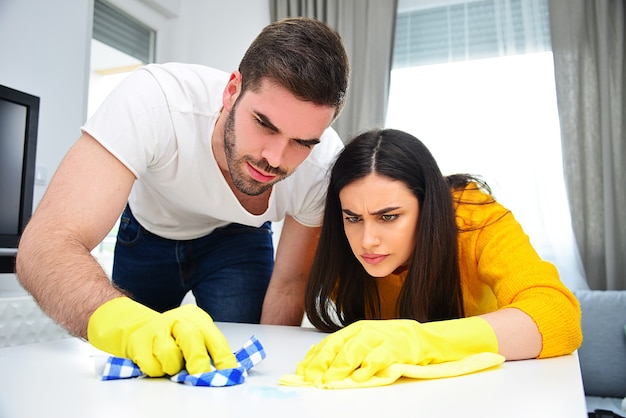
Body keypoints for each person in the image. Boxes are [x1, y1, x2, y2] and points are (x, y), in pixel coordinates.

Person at [15, 17, 349, 377]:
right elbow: (44, 244)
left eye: (302, 142)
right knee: (140, 367)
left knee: (238, 364)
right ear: (232, 89)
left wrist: (270, 380)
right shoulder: (155, 100)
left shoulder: (323, 167)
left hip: (239, 239)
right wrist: (127, 325)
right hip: (147, 233)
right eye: (265, 124)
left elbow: (290, 283)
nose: (275, 159)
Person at [294, 128, 582, 386]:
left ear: (427, 205)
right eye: (353, 218)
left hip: (488, 390)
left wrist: (418, 341)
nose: (367, 241)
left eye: (389, 216)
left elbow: (559, 317)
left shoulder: (474, 218)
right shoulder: (339, 244)